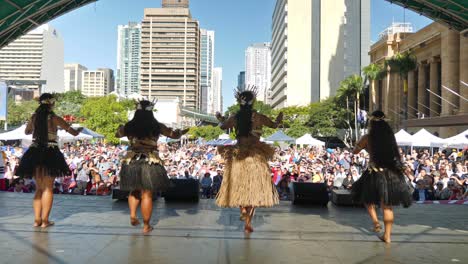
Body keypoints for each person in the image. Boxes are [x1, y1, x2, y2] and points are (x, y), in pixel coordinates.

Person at [215, 87, 283, 233]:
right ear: (253, 102)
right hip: (256, 157)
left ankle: (243, 211)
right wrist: (279, 119)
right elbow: (274, 125)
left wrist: (221, 119)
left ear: (239, 101)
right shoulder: (259, 117)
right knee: (253, 189)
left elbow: (223, 126)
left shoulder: (234, 117)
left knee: (239, 188)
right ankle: (248, 224)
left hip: (239, 156)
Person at [116, 99, 188, 234]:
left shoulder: (129, 126)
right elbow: (174, 135)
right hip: (150, 159)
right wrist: (180, 132)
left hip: (131, 160)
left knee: (134, 190)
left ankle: (132, 215)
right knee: (147, 194)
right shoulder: (157, 126)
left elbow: (118, 134)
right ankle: (146, 225)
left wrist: (120, 128)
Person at [15, 93, 83, 228]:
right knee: (48, 188)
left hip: (34, 152)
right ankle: (45, 220)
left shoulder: (34, 117)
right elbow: (73, 132)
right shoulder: (54, 118)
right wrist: (78, 130)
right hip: (50, 152)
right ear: (51, 104)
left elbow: (27, 132)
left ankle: (36, 220)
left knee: (39, 188)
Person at [351, 111, 412, 244]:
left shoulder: (367, 137)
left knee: (366, 198)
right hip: (391, 174)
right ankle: (387, 236)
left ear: (372, 123)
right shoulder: (390, 138)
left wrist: (359, 145)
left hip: (374, 173)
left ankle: (375, 221)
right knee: (387, 206)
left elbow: (355, 151)